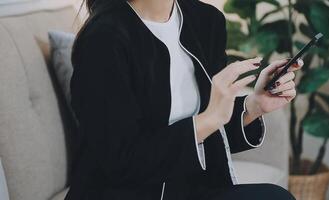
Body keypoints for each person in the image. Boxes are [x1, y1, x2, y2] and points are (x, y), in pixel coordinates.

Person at [65, 0, 303, 199]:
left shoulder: (205, 21)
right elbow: (120, 160)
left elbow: (207, 136)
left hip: (191, 188)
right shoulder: (103, 39)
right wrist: (208, 119)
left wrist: (254, 105)